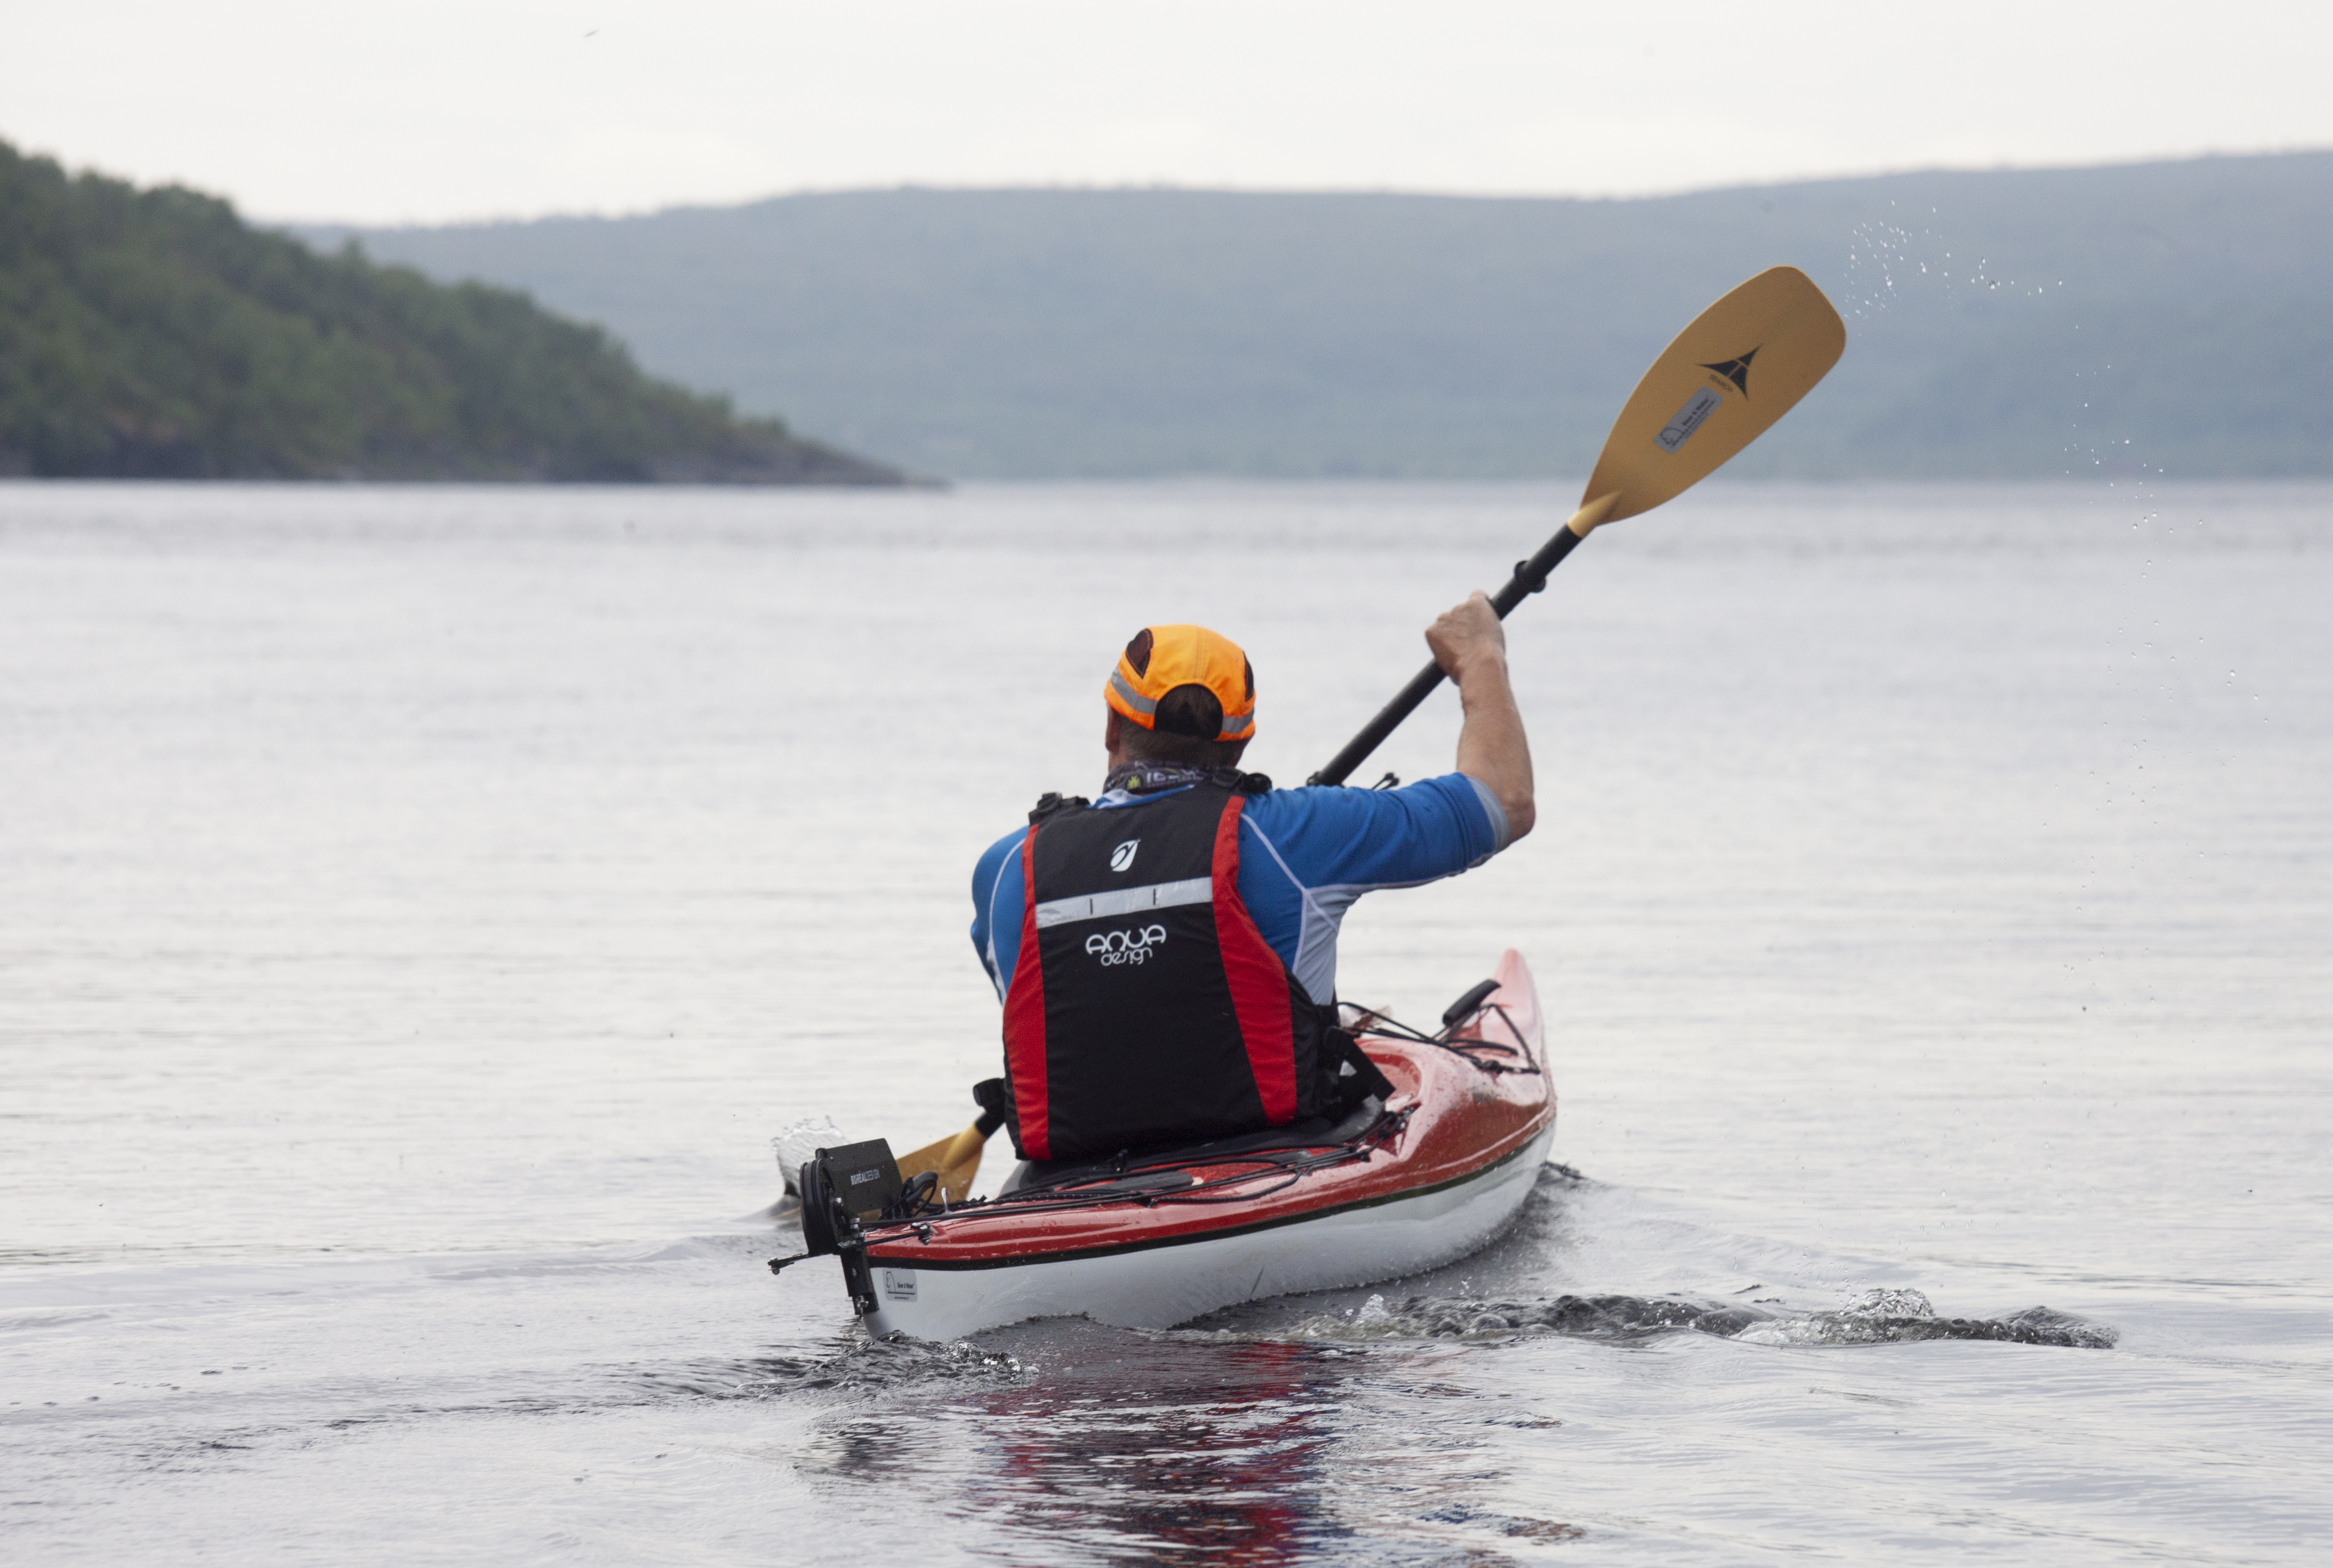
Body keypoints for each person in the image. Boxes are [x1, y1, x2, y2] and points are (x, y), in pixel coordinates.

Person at [968, 594, 1535, 1164]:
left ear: (1112, 725)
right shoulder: (1302, 833)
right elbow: (1503, 802)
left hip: (1070, 1178)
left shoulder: (1004, 869)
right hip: (1273, 1157)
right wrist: (1480, 657)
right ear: (1241, 741)